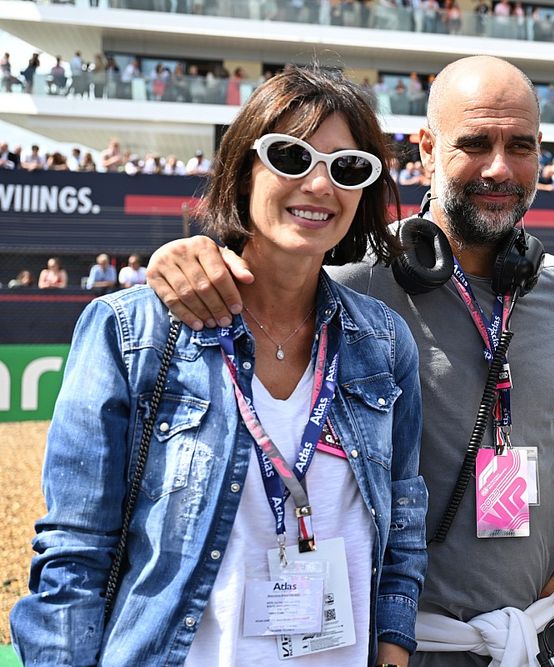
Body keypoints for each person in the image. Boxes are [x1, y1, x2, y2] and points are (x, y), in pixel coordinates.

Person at [145, 55, 554, 666]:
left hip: (535, 639)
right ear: (427, 150)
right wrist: (190, 256)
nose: (500, 167)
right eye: (475, 143)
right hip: (398, 644)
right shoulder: (354, 294)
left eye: (521, 146)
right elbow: (265, 273)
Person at [11, 65, 427, 667]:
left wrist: (391, 655)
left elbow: (402, 533)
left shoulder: (384, 343)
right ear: (243, 167)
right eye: (290, 155)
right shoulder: (134, 330)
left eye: (347, 167)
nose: (319, 184)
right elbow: (75, 553)